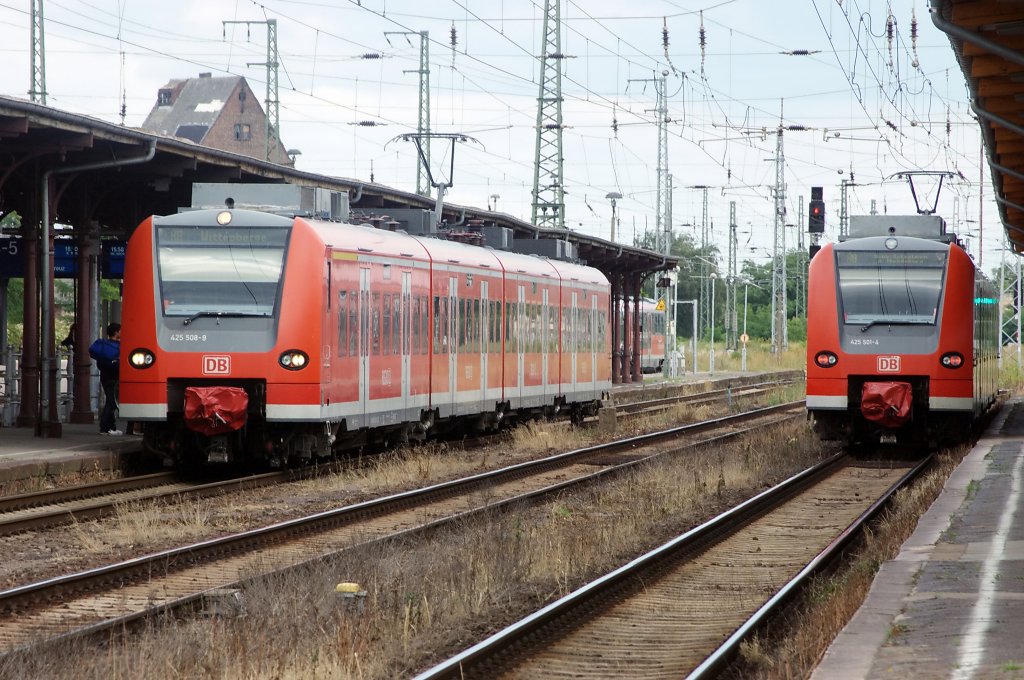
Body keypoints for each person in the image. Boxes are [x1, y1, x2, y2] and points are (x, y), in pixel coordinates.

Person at [89, 322, 121, 435]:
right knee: (112, 402)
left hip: (104, 375)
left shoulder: (103, 344)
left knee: (110, 400)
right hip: (115, 375)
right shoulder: (120, 346)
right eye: (120, 330)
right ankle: (106, 428)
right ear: (116, 332)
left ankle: (110, 427)